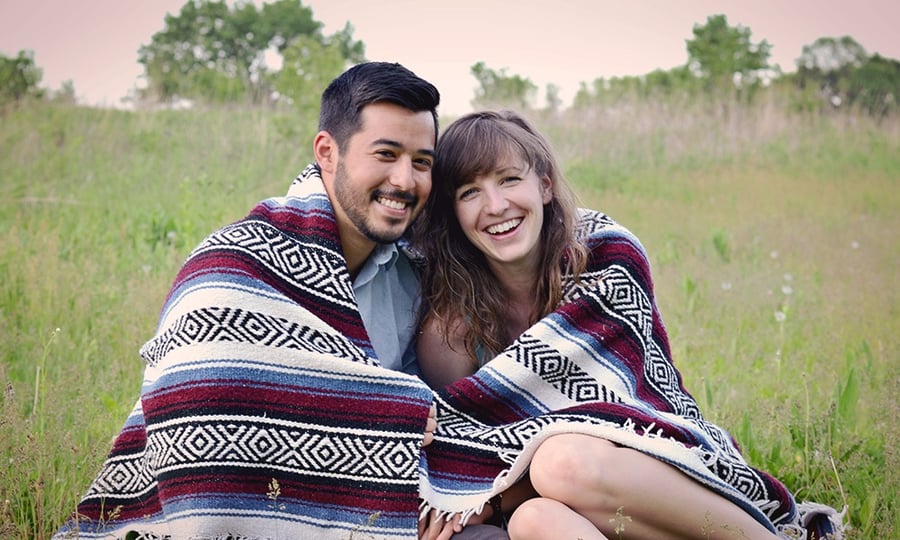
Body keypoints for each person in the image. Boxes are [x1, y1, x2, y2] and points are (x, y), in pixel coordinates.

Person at [55, 61, 450, 540]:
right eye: (385, 154)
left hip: (372, 508)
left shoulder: (416, 269)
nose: (405, 181)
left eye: (422, 162)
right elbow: (202, 398)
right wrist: (395, 410)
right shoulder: (236, 263)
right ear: (328, 152)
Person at [412, 110, 843, 539]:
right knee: (533, 521)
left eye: (508, 179)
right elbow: (467, 446)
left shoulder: (605, 259)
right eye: (470, 192)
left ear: (543, 185)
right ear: (453, 213)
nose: (496, 205)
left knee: (559, 464)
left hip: (657, 470)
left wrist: (504, 490)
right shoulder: (452, 329)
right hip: (569, 507)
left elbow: (639, 411)